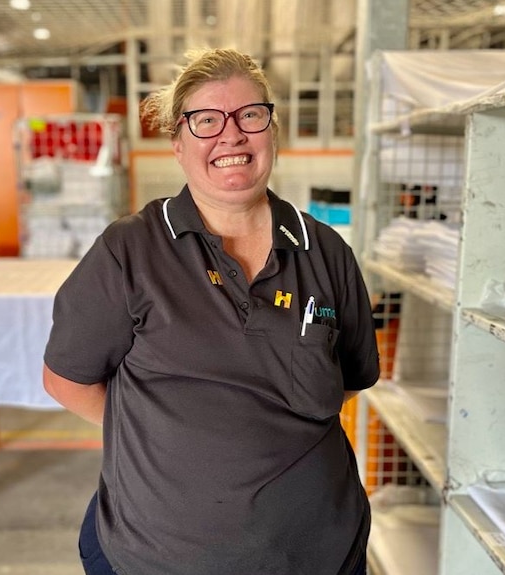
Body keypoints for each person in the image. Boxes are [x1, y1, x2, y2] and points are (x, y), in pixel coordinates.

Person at [43, 47, 380, 575]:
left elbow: (351, 380)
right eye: (206, 120)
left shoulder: (325, 252)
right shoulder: (130, 251)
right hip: (155, 557)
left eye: (250, 115)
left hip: (317, 554)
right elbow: (66, 379)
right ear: (177, 144)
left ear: (273, 130)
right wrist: (161, 439)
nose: (231, 135)